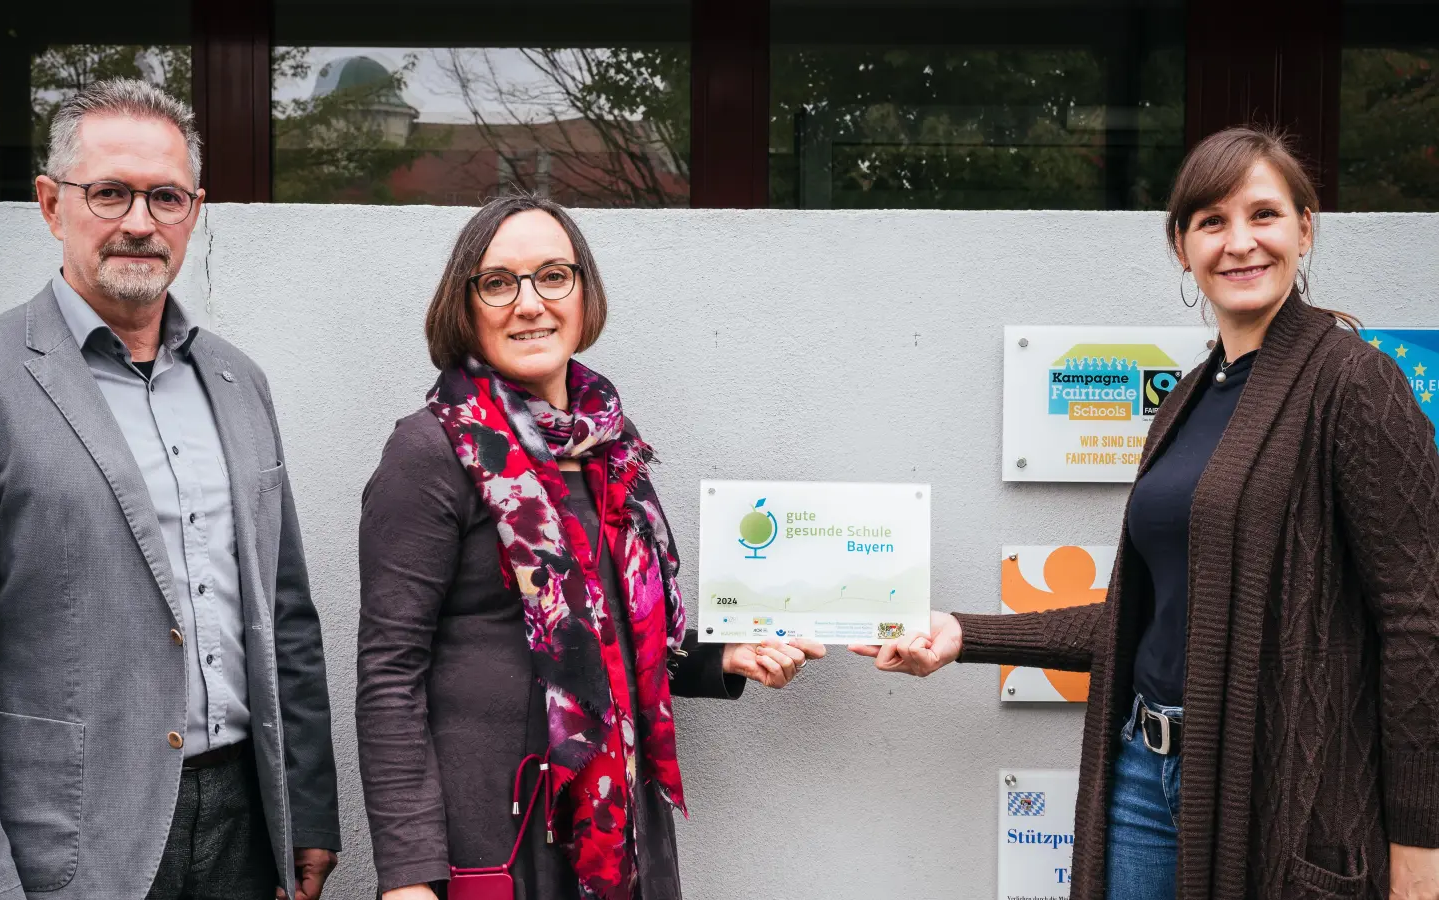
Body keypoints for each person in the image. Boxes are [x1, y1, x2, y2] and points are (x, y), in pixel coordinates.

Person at [855, 126, 1439, 900]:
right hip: (1143, 773)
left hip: (1275, 792)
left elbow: (1417, 625)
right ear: (1181, 246)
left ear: (1305, 227)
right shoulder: (1189, 398)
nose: (1240, 244)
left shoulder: (1354, 384)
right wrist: (967, 634)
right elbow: (1147, 618)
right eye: (1212, 222)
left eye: (1263, 215)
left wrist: (1420, 852)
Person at [0, 79, 339, 900]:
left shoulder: (238, 381)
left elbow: (285, 615)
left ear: (193, 210)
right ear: (52, 205)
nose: (138, 221)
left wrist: (306, 807)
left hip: (245, 827)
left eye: (163, 196)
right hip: (66, 843)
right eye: (110, 193)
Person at [357, 193, 825, 900]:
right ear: (466, 303)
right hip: (498, 838)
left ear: (584, 293)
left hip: (618, 828)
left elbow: (617, 633)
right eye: (499, 282)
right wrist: (408, 876)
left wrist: (724, 657)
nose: (530, 303)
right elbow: (389, 674)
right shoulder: (431, 450)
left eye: (553, 275)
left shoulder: (611, 448)